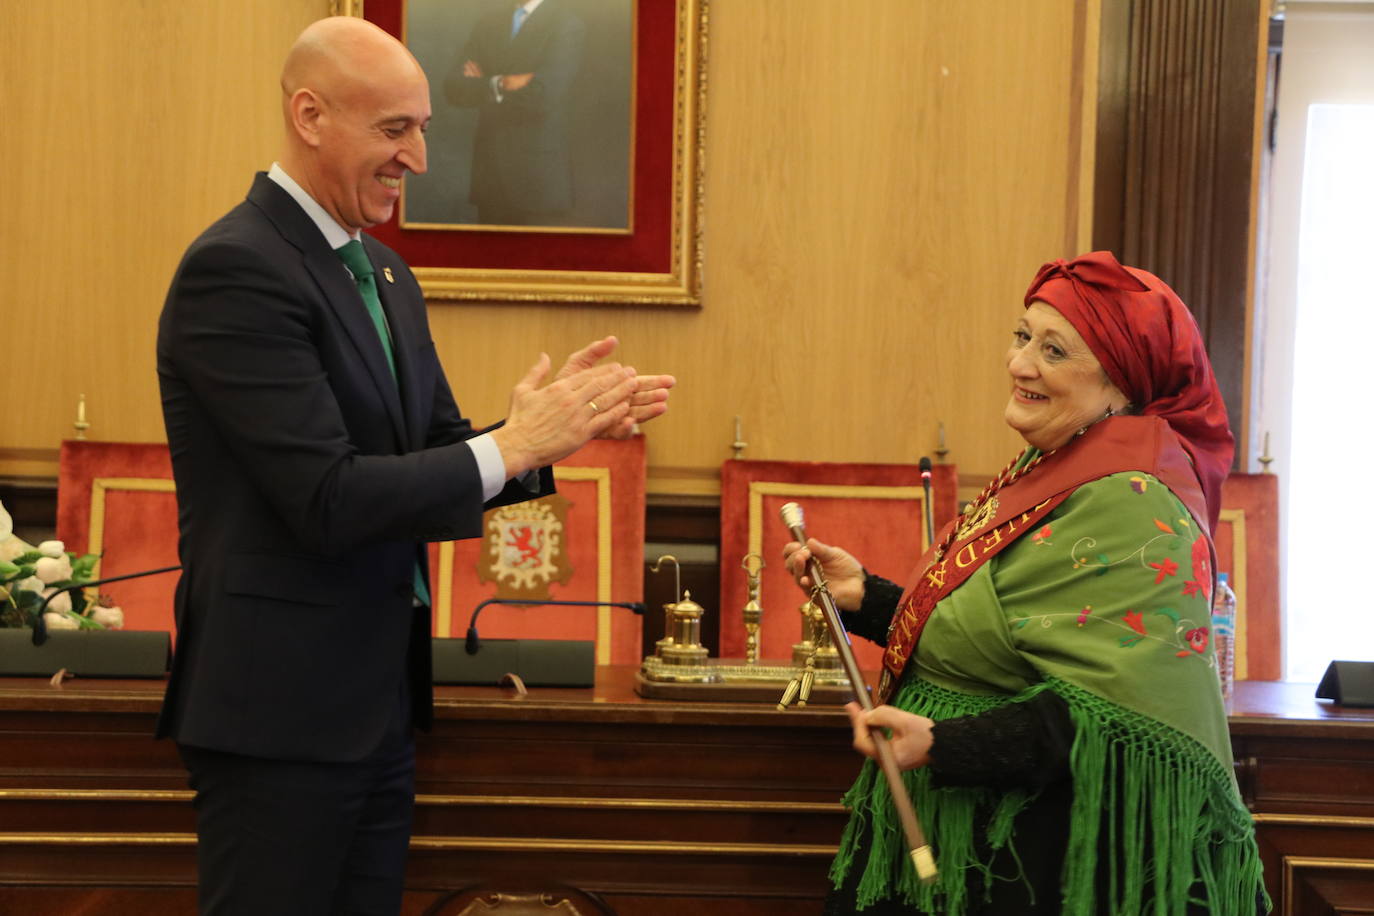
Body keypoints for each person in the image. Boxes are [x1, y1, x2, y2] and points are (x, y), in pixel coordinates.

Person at [155, 16, 673, 915]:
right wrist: (511, 445)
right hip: (277, 716)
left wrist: (549, 439)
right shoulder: (235, 269)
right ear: (310, 115)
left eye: (424, 128)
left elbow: (431, 461)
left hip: (377, 710)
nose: (420, 159)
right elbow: (326, 496)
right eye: (394, 130)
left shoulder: (386, 276)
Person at [785, 252, 1268, 915]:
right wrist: (865, 598)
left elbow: (1109, 718)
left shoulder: (1135, 501)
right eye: (1021, 336)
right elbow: (990, 635)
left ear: (1120, 384)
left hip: (1021, 861)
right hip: (959, 834)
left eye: (1054, 349)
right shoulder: (1052, 465)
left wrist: (945, 744)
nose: (1019, 364)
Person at [444, 0, 585, 225]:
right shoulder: (489, 23)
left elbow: (543, 95)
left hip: (537, 177)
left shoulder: (565, 23)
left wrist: (483, 83)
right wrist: (502, 83)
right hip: (489, 175)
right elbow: (454, 87)